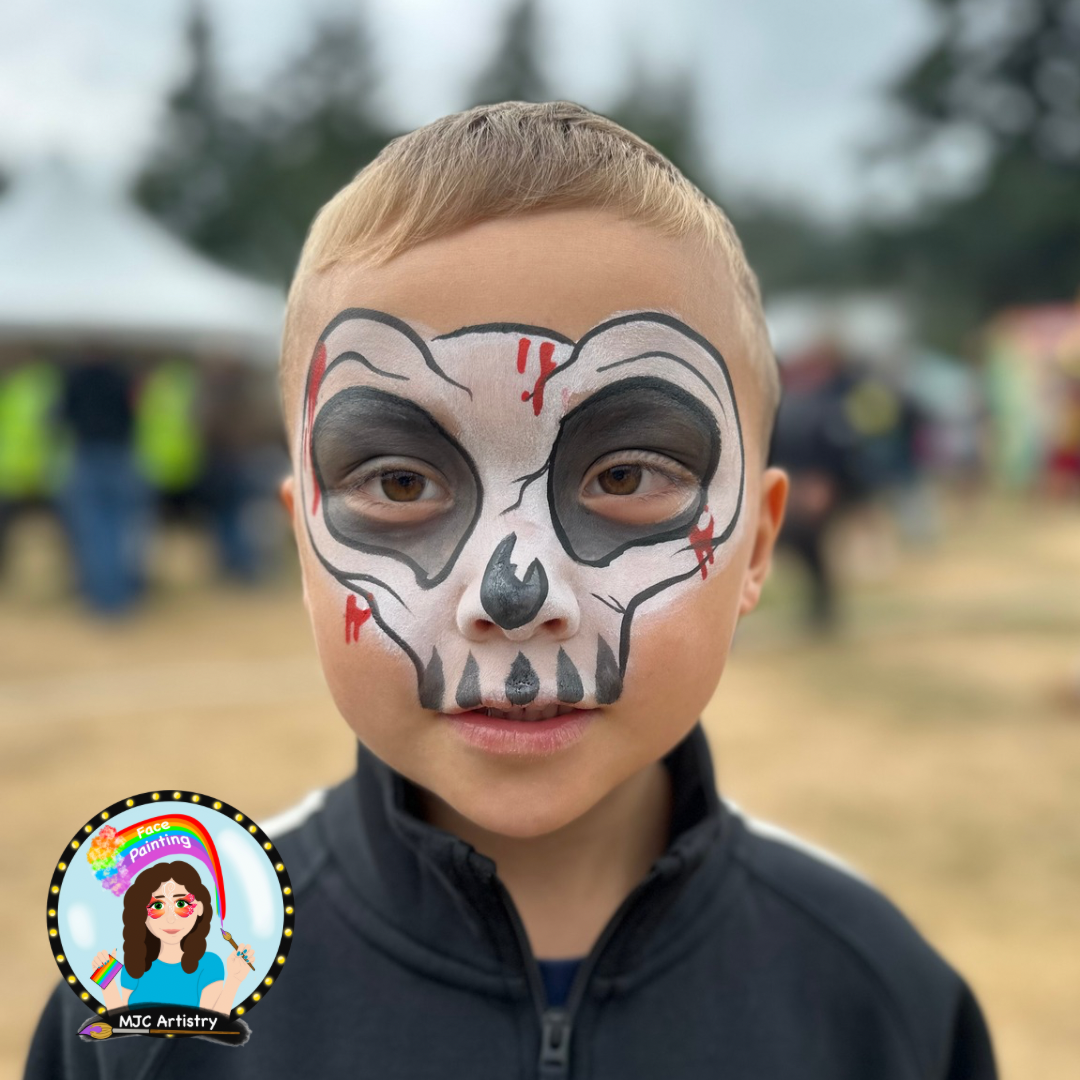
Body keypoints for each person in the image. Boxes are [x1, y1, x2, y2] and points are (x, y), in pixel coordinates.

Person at [25, 102, 996, 1078]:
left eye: (624, 476)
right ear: (304, 544)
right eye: (400, 484)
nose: (511, 593)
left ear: (756, 547)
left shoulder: (879, 1001)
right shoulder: (153, 1015)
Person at [88, 860, 252, 1015]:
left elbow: (212, 1025)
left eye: (181, 904)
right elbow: (123, 1025)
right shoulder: (134, 965)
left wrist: (234, 980)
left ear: (199, 908)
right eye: (157, 906)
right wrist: (106, 980)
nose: (171, 919)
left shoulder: (210, 965)